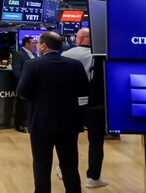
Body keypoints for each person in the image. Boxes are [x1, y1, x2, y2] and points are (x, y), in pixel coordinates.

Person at [16, 31, 89, 193]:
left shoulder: (33, 65)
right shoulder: (75, 65)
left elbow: (21, 92)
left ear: (44, 46)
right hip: (69, 124)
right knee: (70, 166)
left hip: (41, 124)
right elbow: (85, 92)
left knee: (41, 166)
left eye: (38, 43)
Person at [59, 27, 108, 188]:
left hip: (70, 104)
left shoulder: (66, 54)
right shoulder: (102, 56)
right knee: (96, 141)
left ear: (78, 38)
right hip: (95, 105)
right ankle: (93, 178)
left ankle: (62, 168)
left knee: (67, 140)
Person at [12, 35, 37, 133]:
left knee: (31, 105)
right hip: (23, 83)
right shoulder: (19, 54)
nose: (34, 45)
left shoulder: (34, 54)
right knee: (21, 105)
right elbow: (16, 70)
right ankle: (19, 125)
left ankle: (30, 123)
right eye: (33, 43)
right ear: (27, 44)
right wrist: (25, 80)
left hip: (34, 84)